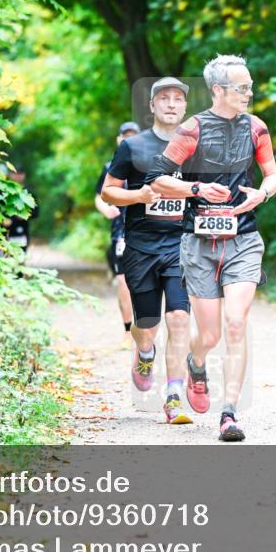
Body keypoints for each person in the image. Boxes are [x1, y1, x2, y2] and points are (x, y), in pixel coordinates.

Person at [147, 55, 276, 442]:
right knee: (210, 335)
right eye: (242, 88)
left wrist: (262, 194)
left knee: (236, 324)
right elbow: (158, 180)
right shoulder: (191, 130)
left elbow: (272, 175)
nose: (249, 93)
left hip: (243, 239)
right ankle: (196, 361)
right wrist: (197, 189)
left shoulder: (257, 128)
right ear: (218, 90)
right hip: (199, 243)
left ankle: (229, 414)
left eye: (250, 86)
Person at [101, 78, 193, 424]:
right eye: (164, 98)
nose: (171, 104)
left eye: (178, 99)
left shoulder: (195, 147)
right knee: (148, 324)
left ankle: (173, 396)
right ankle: (144, 351)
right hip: (141, 246)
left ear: (185, 108)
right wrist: (138, 196)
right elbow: (109, 192)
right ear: (152, 106)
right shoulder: (133, 147)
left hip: (180, 246)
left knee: (180, 318)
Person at [95, 122, 140, 341]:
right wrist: (106, 209)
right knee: (123, 281)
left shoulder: (150, 163)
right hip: (120, 231)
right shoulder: (110, 166)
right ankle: (127, 329)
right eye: (125, 136)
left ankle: (146, 326)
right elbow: (99, 195)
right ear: (119, 139)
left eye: (134, 136)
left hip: (145, 230)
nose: (129, 140)